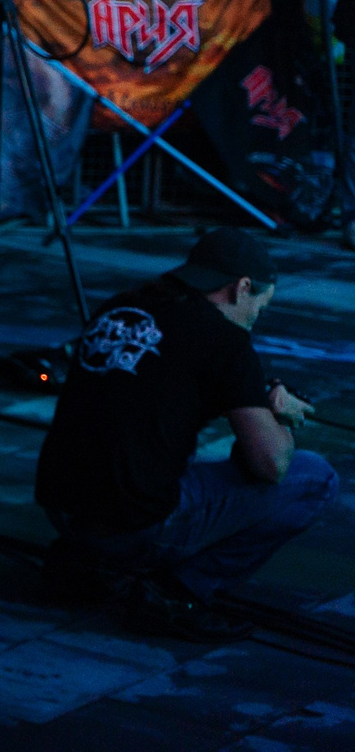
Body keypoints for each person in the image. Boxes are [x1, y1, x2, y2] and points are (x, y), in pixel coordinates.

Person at [38, 228, 338, 640]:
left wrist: (249, 397)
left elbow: (152, 392)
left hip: (63, 509)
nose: (254, 319)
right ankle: (178, 594)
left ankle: (91, 565)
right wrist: (279, 419)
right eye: (259, 308)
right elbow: (272, 465)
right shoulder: (224, 340)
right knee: (314, 479)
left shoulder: (122, 307)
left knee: (156, 457)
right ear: (241, 288)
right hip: (132, 524)